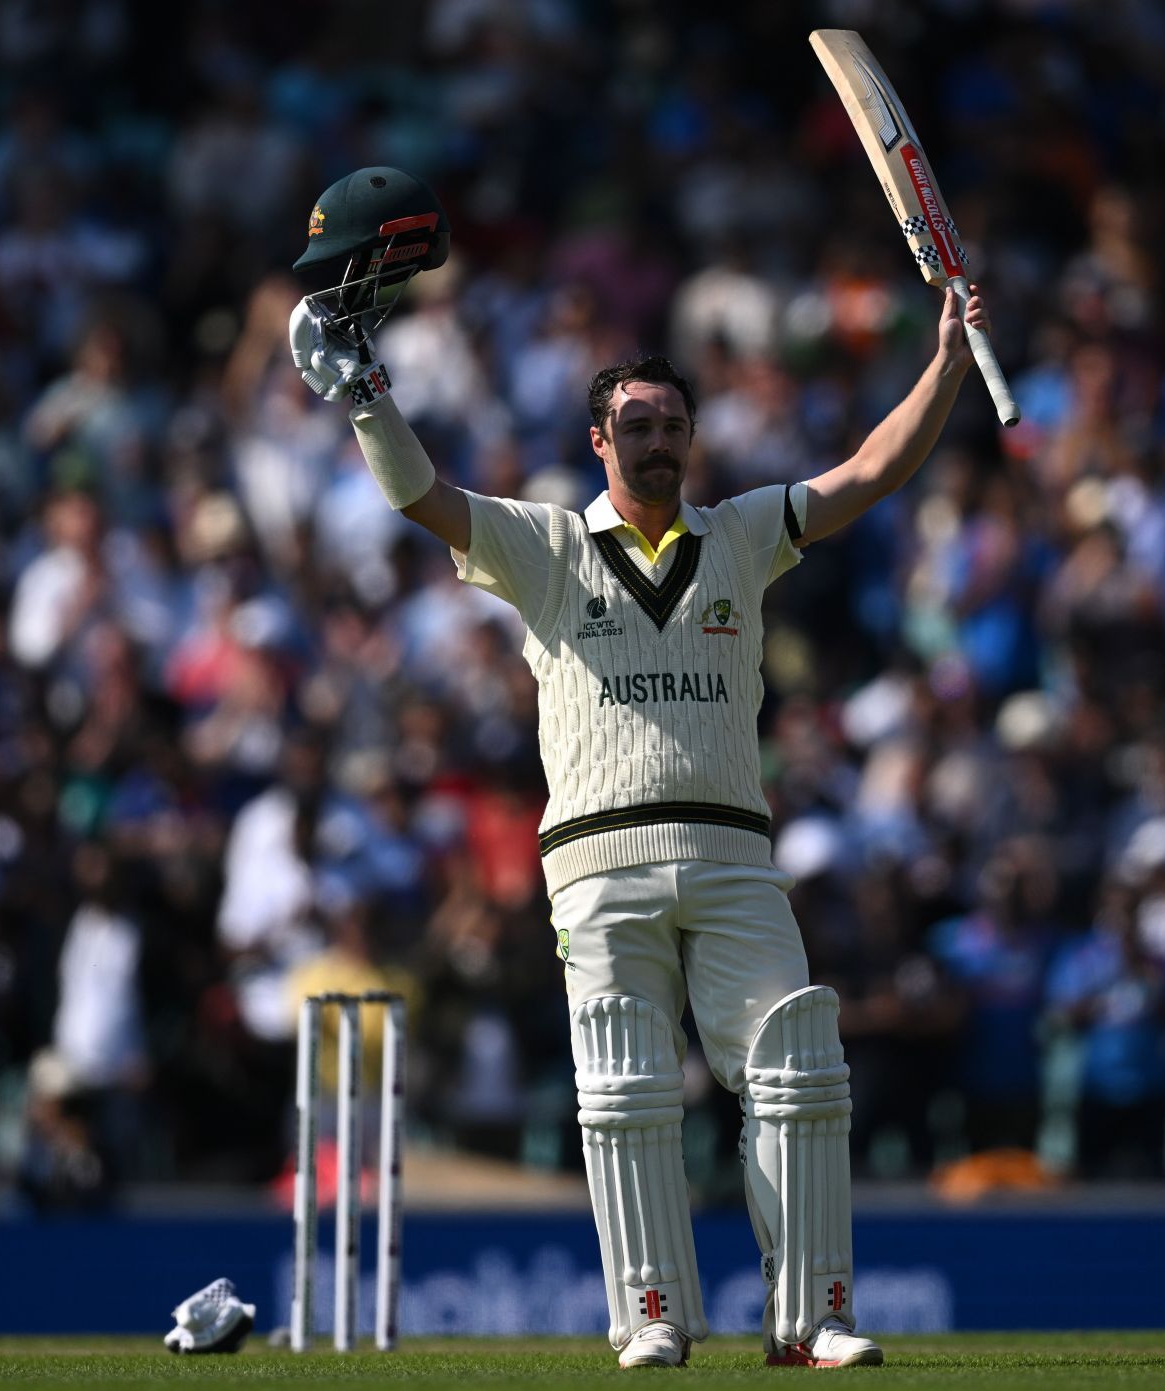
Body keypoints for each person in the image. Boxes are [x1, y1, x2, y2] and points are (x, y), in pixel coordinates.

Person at [286, 166, 991, 1369]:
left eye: (674, 424)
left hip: (731, 849)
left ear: (691, 438)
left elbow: (871, 472)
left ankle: (811, 1312)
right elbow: (419, 494)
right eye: (638, 425)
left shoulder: (743, 532)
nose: (658, 441)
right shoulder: (547, 545)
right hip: (599, 862)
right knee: (622, 1089)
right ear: (599, 438)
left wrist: (950, 361)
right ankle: (650, 1314)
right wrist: (364, 395)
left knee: (799, 1064)